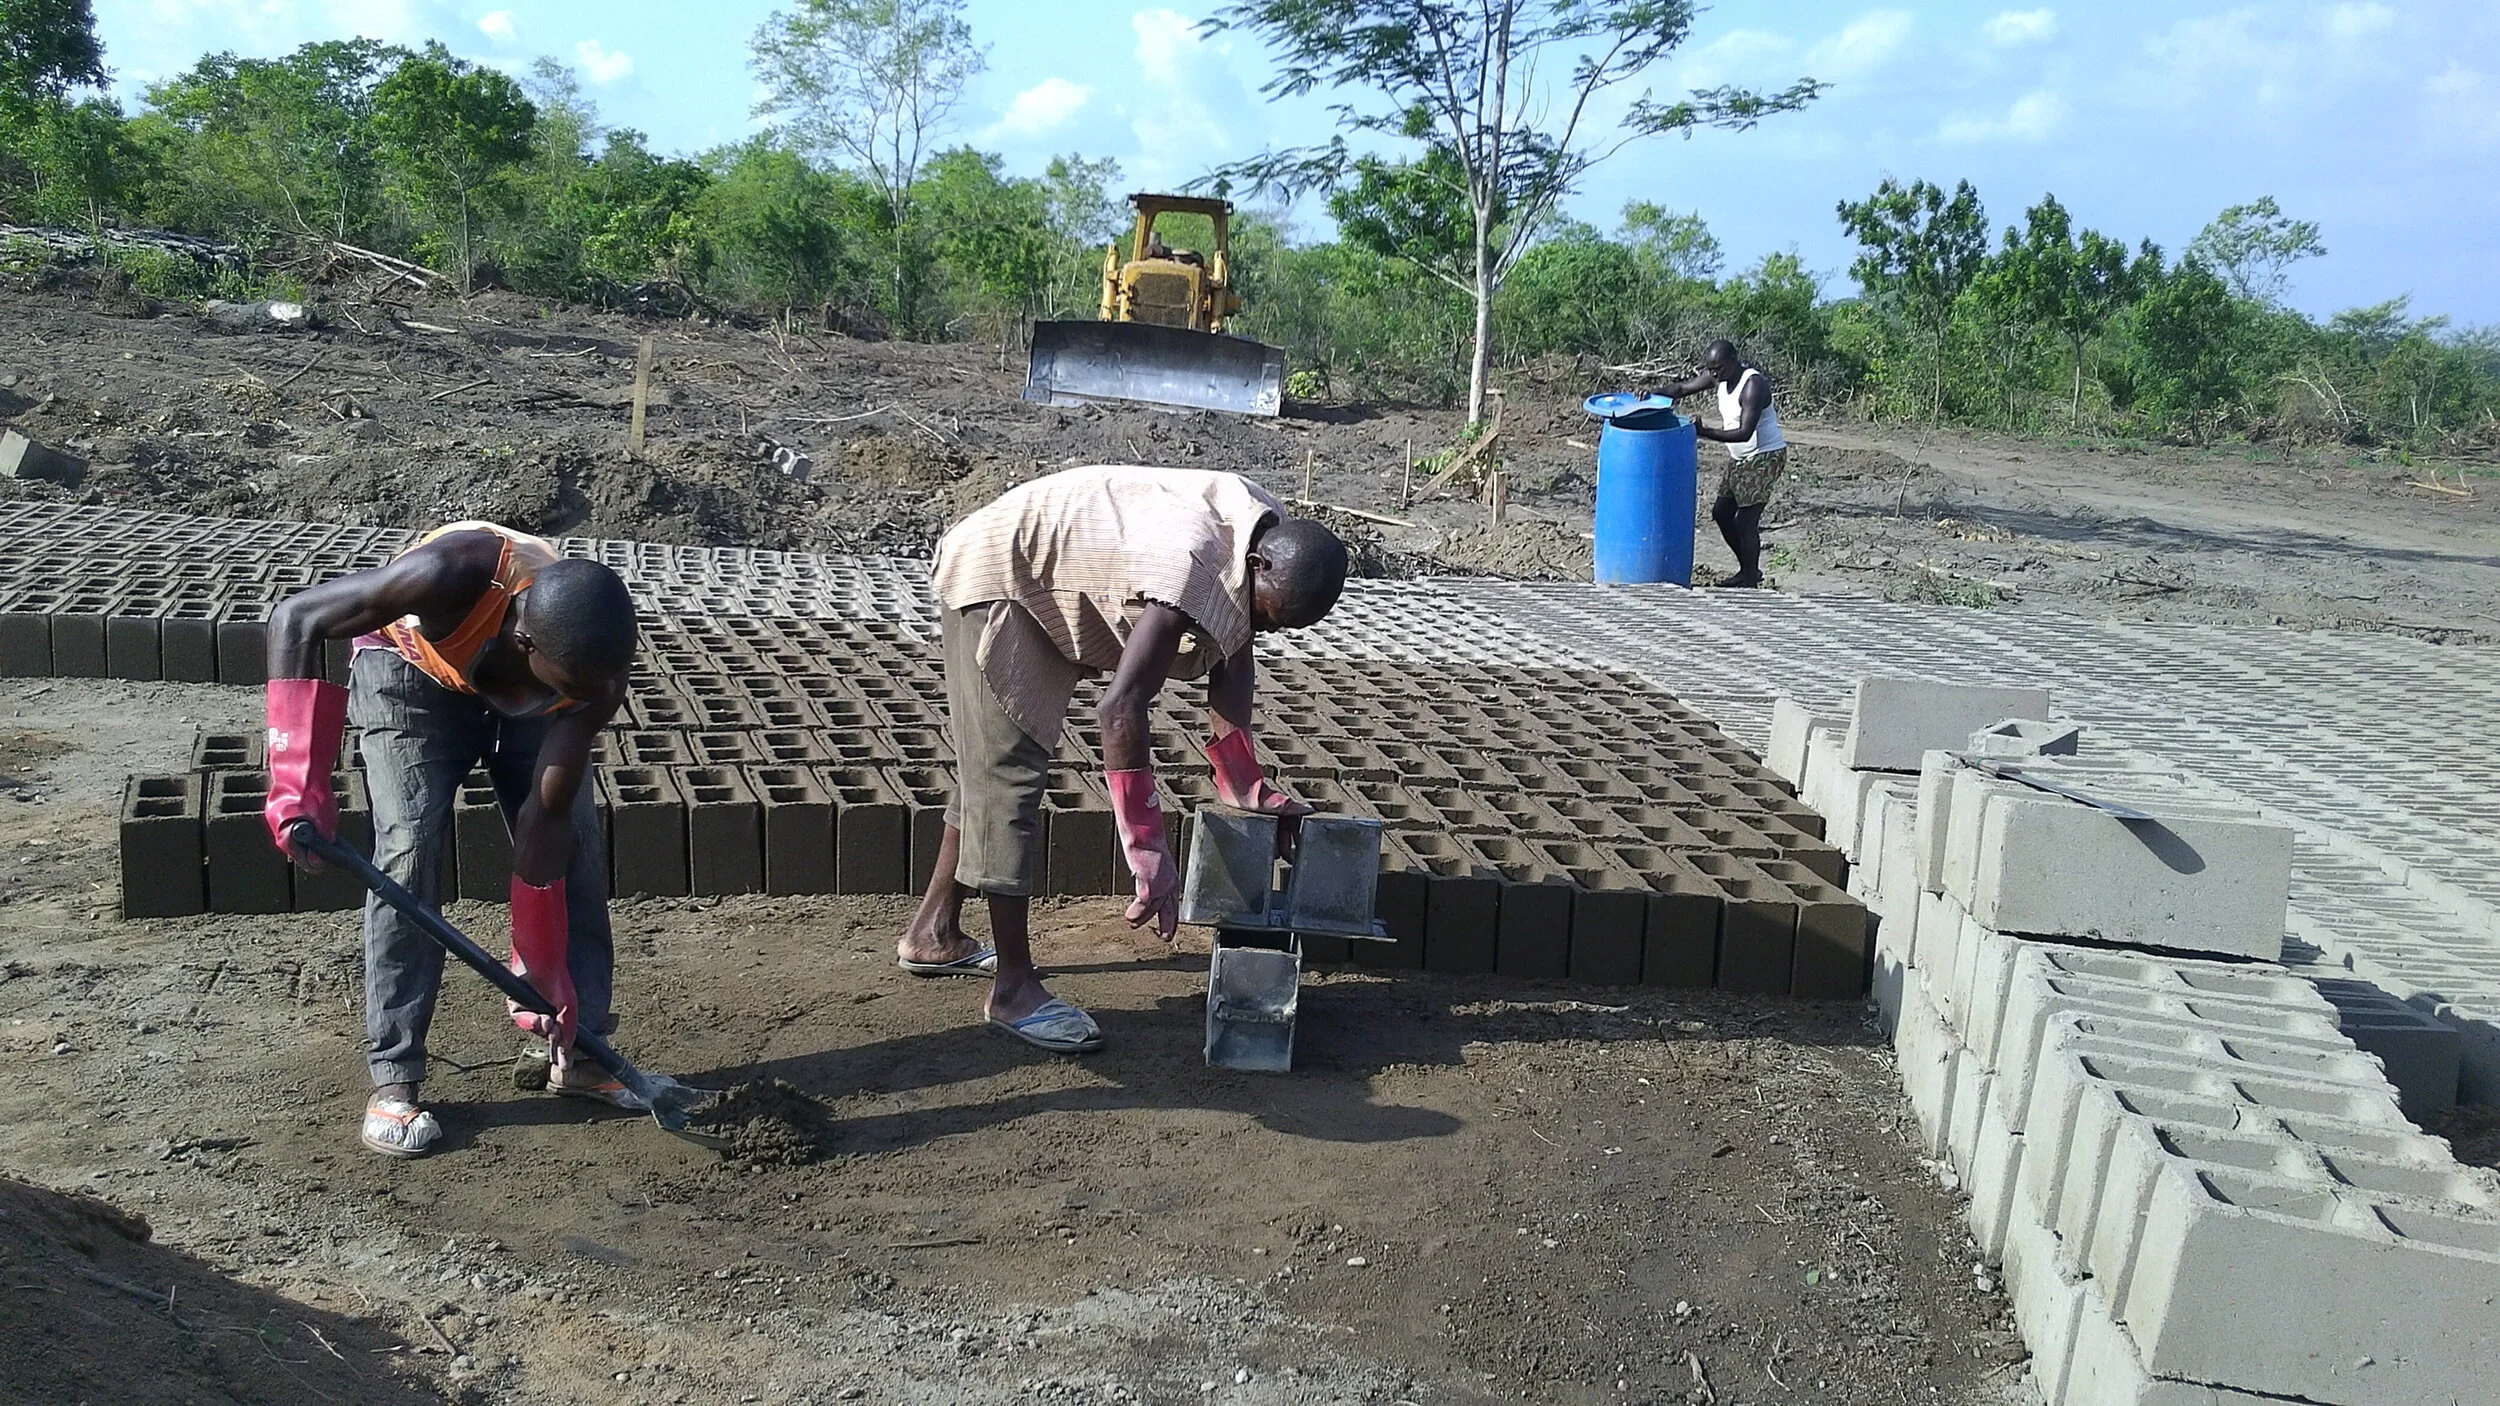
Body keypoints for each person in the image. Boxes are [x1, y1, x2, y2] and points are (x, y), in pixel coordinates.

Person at [897, 466, 1350, 1052]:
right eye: (1269, 613)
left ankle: (933, 933)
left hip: (1054, 568)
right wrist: (1148, 851)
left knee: (991, 770)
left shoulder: (1265, 535)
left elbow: (1235, 647)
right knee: (1008, 779)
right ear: (1259, 565)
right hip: (1000, 576)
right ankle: (1013, 990)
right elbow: (1119, 710)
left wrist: (1245, 783)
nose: (1263, 626)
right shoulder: (1193, 565)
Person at [262, 522, 639, 1158]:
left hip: (520, 687)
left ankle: (578, 1048)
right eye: (564, 685)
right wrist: (297, 784)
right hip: (410, 674)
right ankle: (395, 1078)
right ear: (525, 641)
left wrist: (543, 965)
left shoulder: (590, 674)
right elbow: (295, 618)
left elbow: (543, 825)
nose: (575, 698)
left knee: (574, 839)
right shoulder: (450, 573)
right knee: (408, 848)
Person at [1649, 339, 1788, 588]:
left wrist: (1705, 432)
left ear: (1734, 360)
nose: (1714, 374)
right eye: (1710, 369)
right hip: (1741, 458)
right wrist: (1652, 393)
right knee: (1722, 513)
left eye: (1718, 368)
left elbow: (1745, 432)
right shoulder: (1719, 377)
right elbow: (1681, 388)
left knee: (1746, 520)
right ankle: (1748, 570)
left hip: (1764, 455)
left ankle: (1749, 580)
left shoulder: (1752, 385)